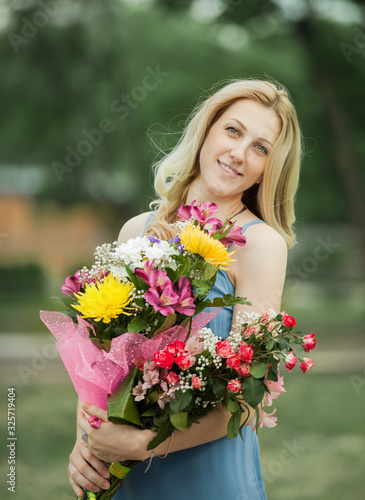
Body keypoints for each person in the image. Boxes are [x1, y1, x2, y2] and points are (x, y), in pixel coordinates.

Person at [68, 77, 302, 499]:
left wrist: (145, 444)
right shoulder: (136, 231)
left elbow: (248, 397)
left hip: (209, 478)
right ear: (207, 129)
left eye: (261, 148)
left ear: (271, 167)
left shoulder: (260, 245)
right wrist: (85, 443)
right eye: (233, 130)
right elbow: (103, 364)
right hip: (127, 478)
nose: (238, 153)